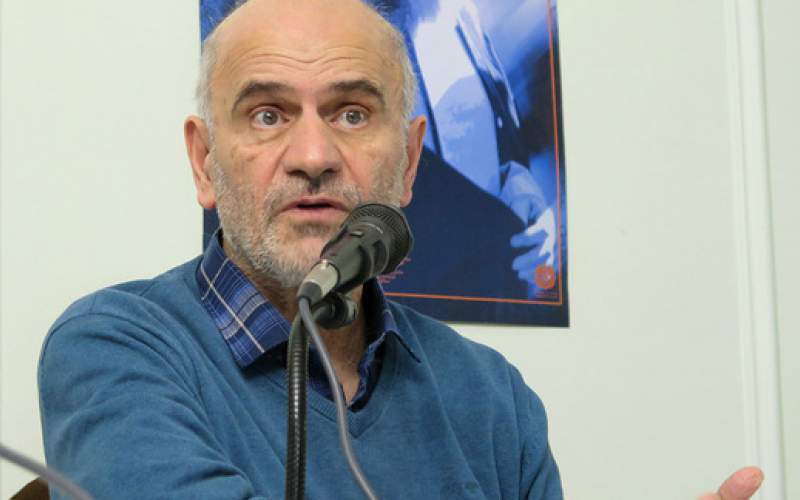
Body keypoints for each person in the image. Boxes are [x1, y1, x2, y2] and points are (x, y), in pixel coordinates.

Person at [38, 0, 762, 498]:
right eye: (268, 114)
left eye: (353, 113)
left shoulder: (492, 396)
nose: (314, 155)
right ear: (204, 162)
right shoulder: (114, 347)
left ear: (411, 160)